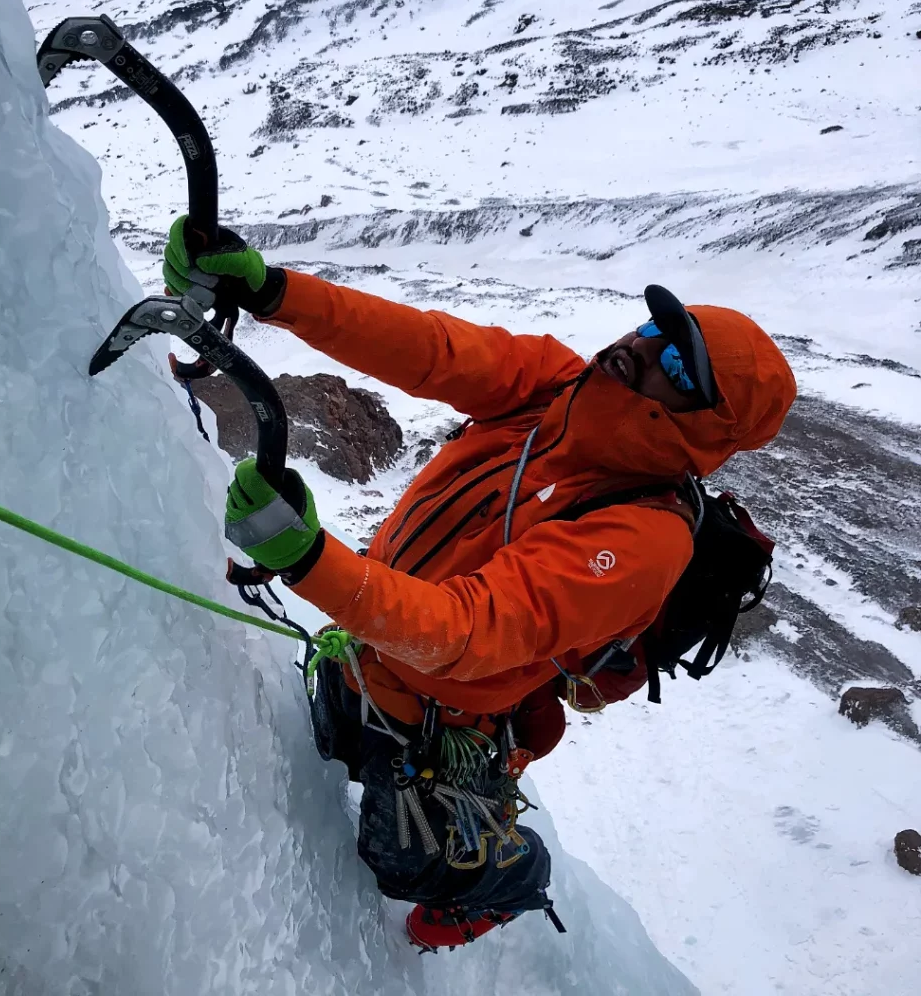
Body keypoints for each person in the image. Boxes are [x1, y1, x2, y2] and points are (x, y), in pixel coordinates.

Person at [162, 217, 797, 951]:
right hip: (371, 647)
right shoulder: (557, 385)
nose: (642, 349)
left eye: (678, 369)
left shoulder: (644, 536)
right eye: (654, 332)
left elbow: (470, 631)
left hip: (437, 709)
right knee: (329, 732)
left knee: (400, 860)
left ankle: (509, 875)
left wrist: (309, 562)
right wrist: (274, 292)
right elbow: (429, 350)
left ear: (705, 427)